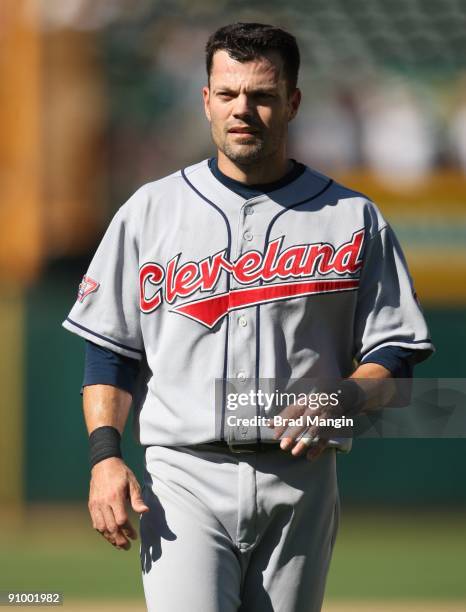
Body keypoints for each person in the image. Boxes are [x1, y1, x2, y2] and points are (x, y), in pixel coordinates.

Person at [63, 22, 433, 612]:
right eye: (229, 94)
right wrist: (105, 457)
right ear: (206, 100)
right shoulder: (151, 211)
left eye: (261, 96)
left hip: (301, 478)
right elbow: (110, 352)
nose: (244, 111)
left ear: (292, 102)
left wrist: (342, 397)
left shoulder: (351, 217)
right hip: (182, 473)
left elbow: (397, 356)